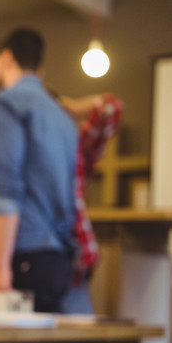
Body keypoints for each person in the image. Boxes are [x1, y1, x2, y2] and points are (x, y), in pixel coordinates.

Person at [0, 27, 78, 313]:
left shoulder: (3, 103)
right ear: (41, 69)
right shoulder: (63, 117)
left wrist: (0, 267)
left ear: (6, 58)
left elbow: (6, 188)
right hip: (57, 257)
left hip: (22, 256)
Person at [58, 93, 125, 314]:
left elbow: (111, 108)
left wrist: (75, 106)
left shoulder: (73, 148)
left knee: (78, 340)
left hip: (72, 263)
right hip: (34, 263)